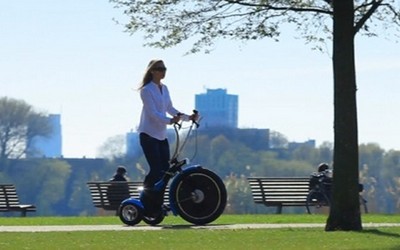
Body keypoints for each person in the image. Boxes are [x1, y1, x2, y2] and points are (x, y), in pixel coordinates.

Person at [137, 59, 198, 215]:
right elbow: (153, 113)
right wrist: (170, 121)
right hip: (148, 134)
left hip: (161, 135)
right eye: (159, 69)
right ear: (152, 71)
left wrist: (187, 117)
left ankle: (157, 203)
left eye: (164, 69)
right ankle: (145, 200)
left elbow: (170, 108)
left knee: (166, 171)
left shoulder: (165, 88)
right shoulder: (146, 90)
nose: (163, 71)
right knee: (156, 169)